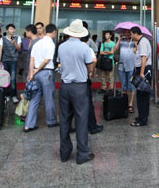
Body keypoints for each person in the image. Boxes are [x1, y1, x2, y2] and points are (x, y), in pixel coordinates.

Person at [57, 19, 95, 165]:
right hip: (79, 87)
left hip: (65, 86)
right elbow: (90, 67)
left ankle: (64, 153)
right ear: (81, 33)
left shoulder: (61, 47)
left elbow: (60, 63)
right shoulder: (84, 48)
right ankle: (82, 154)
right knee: (81, 120)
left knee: (65, 120)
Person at [25, 24, 59, 131]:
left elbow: (32, 59)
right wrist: (37, 70)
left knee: (34, 99)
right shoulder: (51, 44)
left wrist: (31, 73)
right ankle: (51, 121)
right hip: (46, 73)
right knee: (49, 98)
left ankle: (28, 125)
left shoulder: (38, 43)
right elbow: (47, 60)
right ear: (54, 32)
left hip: (36, 74)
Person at [80, 23, 103, 135]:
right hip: (83, 79)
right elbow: (94, 60)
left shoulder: (64, 47)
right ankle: (92, 126)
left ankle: (75, 126)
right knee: (88, 103)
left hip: (69, 82)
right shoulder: (86, 48)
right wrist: (90, 72)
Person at [130, 26, 152, 127]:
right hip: (142, 69)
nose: (130, 36)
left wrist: (141, 73)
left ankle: (142, 120)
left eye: (131, 34)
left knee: (142, 96)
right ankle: (143, 116)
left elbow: (144, 58)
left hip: (144, 70)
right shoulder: (141, 42)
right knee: (143, 95)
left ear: (135, 33)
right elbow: (138, 54)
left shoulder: (143, 42)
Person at [114, 29, 135, 114]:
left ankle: (130, 104)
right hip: (122, 67)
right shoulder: (121, 41)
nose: (127, 34)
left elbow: (137, 50)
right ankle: (124, 102)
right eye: (125, 33)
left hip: (131, 66)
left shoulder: (134, 42)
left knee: (131, 86)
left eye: (128, 33)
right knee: (123, 85)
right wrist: (119, 39)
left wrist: (135, 41)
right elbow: (114, 49)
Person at [2, 23, 22, 103]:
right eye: (10, 29)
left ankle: (13, 95)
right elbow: (0, 49)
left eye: (13, 29)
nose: (12, 30)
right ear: (7, 30)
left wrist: (14, 43)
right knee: (6, 78)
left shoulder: (18, 38)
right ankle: (6, 95)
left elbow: (19, 49)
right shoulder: (3, 38)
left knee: (13, 79)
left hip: (14, 60)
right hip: (5, 60)